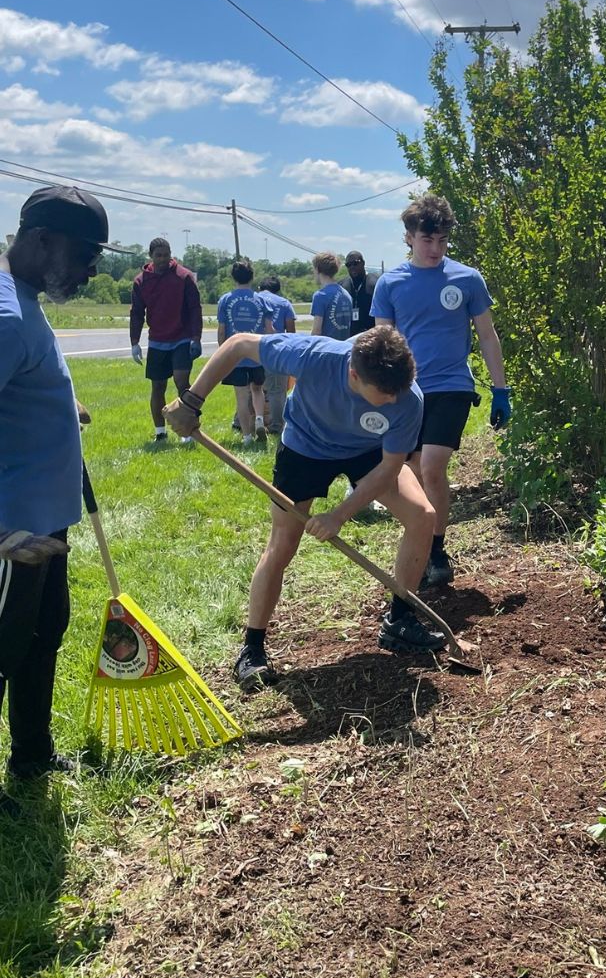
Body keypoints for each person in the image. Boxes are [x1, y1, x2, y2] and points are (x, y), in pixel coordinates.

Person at [164, 327, 443, 689]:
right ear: (354, 375)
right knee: (283, 544)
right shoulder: (315, 356)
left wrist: (339, 515)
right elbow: (239, 345)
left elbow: (390, 468)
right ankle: (252, 650)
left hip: (367, 452)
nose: (394, 402)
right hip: (305, 449)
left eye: (398, 393)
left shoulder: (408, 397)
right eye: (385, 395)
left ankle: (401, 620)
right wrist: (192, 402)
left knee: (423, 516)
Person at [0, 185, 107, 791]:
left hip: (44, 521)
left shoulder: (23, 298)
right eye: (85, 253)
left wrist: (62, 403)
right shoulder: (8, 317)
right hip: (13, 528)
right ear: (42, 240)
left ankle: (33, 757)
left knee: (41, 636)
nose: (92, 268)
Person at [372, 194, 510, 588]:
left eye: (443, 241)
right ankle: (423, 537)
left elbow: (487, 334)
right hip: (407, 390)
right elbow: (385, 341)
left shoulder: (467, 279)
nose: (436, 249)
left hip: (452, 385)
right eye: (427, 240)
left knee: (431, 466)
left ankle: (436, 549)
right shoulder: (390, 283)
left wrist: (501, 389)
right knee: (412, 468)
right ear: (409, 238)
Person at [129, 236, 203, 445]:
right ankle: (160, 432)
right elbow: (136, 313)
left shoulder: (184, 277)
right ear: (151, 256)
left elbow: (195, 308)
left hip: (181, 338)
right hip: (158, 341)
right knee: (158, 386)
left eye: (166, 255)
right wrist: (134, 341)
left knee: (182, 383)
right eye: (158, 255)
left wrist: (196, 337)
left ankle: (188, 431)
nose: (163, 259)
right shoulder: (141, 281)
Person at [217, 258, 273, 446]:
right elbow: (269, 329)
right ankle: (259, 418)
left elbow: (222, 329)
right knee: (257, 389)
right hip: (257, 352)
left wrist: (221, 352)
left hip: (235, 356)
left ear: (233, 277)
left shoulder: (226, 300)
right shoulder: (261, 300)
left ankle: (247, 436)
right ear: (252, 277)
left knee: (241, 396)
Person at [257, 275, 296, 434]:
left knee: (250, 388)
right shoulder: (284, 303)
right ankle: (277, 425)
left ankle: (242, 421)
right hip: (276, 352)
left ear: (260, 288)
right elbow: (291, 333)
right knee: (277, 391)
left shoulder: (254, 299)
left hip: (253, 348)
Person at [310, 252, 352, 341]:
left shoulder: (320, 296)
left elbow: (317, 331)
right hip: (344, 347)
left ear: (317, 269)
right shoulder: (346, 294)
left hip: (326, 349)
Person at [344, 250, 375, 336]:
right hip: (348, 338)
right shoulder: (342, 286)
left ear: (363, 263)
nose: (352, 267)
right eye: (348, 265)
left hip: (371, 337)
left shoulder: (375, 284)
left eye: (355, 263)